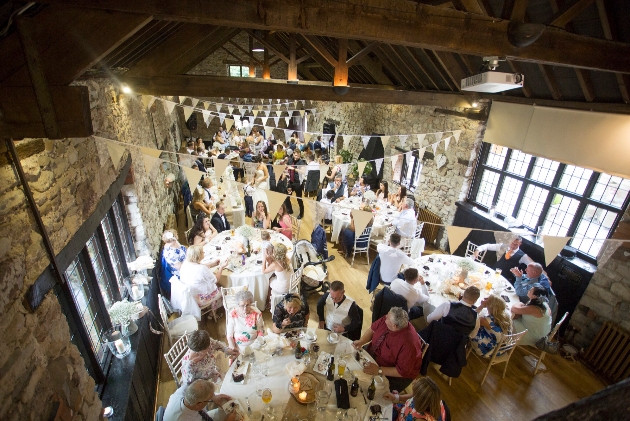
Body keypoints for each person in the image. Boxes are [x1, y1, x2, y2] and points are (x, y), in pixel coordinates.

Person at [352, 307, 423, 392]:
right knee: (352, 365)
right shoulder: (388, 319)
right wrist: (361, 341)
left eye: (388, 318)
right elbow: (373, 329)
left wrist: (379, 370)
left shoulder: (409, 345)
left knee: (369, 390)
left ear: (394, 326)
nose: (385, 317)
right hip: (374, 353)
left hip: (394, 372)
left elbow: (402, 371)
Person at [175, 246, 227, 320]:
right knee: (223, 289)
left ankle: (210, 310)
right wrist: (221, 267)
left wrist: (212, 264)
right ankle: (212, 313)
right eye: (202, 252)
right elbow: (216, 280)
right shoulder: (202, 269)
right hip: (201, 299)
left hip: (191, 296)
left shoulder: (185, 264)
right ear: (198, 256)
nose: (204, 252)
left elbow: (197, 266)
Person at [163, 379, 236, 421]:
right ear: (198, 405)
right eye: (209, 400)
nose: (211, 400)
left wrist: (214, 398)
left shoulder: (185, 390)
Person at [383, 377, 448, 421]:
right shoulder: (429, 400)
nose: (414, 381)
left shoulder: (419, 419)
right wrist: (396, 397)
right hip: (401, 412)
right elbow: (412, 396)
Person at [286, 149, 306, 218]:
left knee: (299, 199)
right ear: (293, 154)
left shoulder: (301, 162)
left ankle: (301, 213)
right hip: (290, 182)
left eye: (297, 155)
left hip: (298, 183)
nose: (296, 156)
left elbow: (303, 171)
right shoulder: (290, 160)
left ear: (300, 155)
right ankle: (290, 209)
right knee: (287, 196)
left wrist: (294, 169)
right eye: (295, 154)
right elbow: (287, 167)